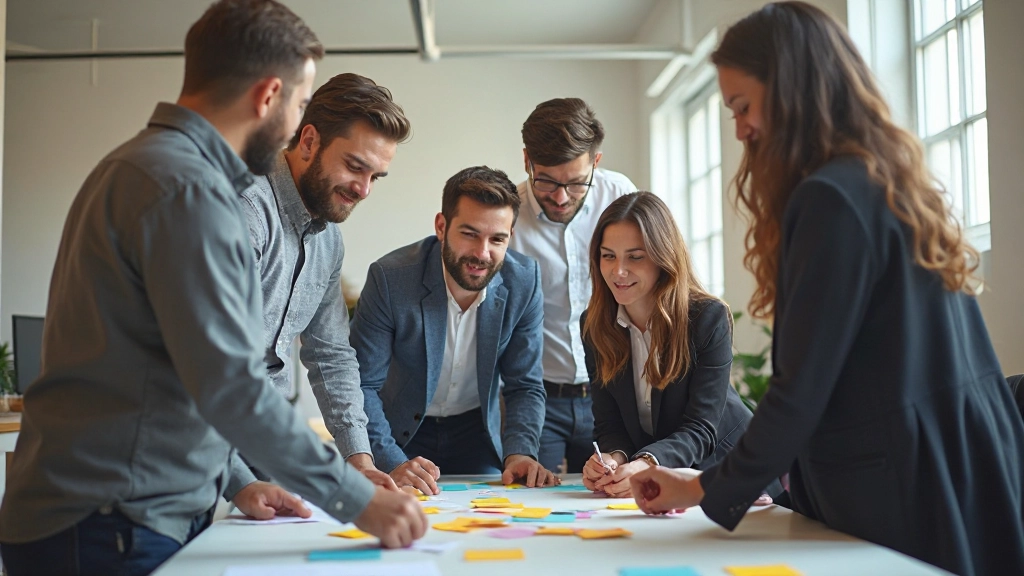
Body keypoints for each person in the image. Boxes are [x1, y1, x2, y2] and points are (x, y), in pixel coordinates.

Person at [0, 2, 426, 574]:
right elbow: (230, 383)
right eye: (299, 105)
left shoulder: (144, 166)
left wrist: (234, 481)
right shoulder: (189, 190)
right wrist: (359, 500)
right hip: (110, 521)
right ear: (269, 97)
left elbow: (178, 369)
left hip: (110, 514)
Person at [628, 4, 1024, 576]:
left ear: (792, 90)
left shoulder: (829, 198)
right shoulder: (884, 176)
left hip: (902, 474)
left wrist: (705, 491)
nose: (738, 130)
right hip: (957, 453)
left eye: (743, 107)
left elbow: (802, 388)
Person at [239, 72, 410, 490]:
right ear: (309, 141)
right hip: (214, 443)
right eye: (355, 167)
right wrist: (329, 481)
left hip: (266, 450)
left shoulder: (328, 239)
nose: (365, 190)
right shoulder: (246, 210)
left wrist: (360, 460)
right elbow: (224, 367)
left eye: (376, 177)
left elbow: (331, 354)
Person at [350, 166, 557, 494]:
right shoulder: (390, 279)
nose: (482, 253)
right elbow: (362, 384)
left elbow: (524, 385)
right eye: (470, 234)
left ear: (510, 237)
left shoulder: (524, 281)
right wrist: (389, 459)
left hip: (475, 433)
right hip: (397, 432)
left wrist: (520, 453)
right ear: (442, 227)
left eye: (497, 239)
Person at [580, 192, 776, 500]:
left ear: (662, 257)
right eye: (608, 256)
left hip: (727, 473)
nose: (618, 271)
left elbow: (700, 429)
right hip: (660, 489)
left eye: (635, 256)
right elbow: (610, 423)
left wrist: (645, 463)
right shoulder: (595, 326)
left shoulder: (707, 318)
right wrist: (612, 459)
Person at [508, 98, 636, 474]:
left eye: (577, 183)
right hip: (540, 397)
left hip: (613, 391)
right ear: (527, 159)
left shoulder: (620, 196)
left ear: (596, 162)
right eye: (545, 180)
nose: (560, 197)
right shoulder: (509, 217)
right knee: (532, 502)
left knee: (611, 504)